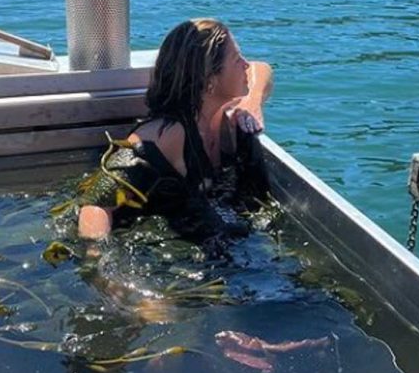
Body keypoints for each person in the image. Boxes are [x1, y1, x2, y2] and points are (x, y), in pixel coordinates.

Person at [77, 18, 273, 243]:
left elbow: (262, 69)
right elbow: (96, 203)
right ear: (210, 80)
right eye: (237, 59)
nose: (246, 65)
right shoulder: (165, 135)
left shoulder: (229, 115)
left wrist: (253, 100)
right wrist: (98, 263)